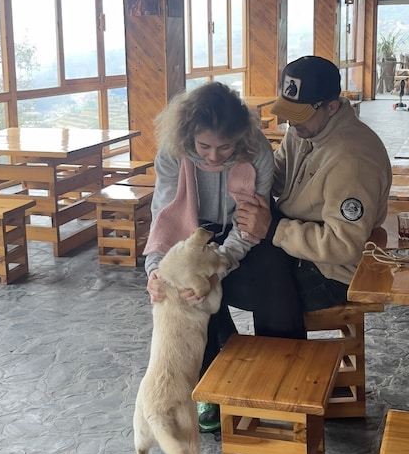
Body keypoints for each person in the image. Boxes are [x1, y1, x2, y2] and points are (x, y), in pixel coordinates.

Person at [223, 55, 392, 337]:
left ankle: (274, 357)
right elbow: (278, 178)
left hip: (331, 273)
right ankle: (233, 353)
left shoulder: (352, 159)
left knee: (217, 281)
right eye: (288, 111)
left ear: (331, 107)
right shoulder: (305, 131)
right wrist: (241, 159)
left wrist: (273, 229)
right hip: (295, 246)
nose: (291, 122)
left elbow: (343, 245)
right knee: (207, 269)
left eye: (300, 114)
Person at [143, 82, 274, 431]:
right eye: (204, 147)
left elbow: (251, 224)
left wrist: (219, 266)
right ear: (189, 136)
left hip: (244, 233)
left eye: (225, 147)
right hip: (189, 231)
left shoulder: (257, 150)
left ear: (240, 138)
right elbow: (166, 215)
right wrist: (156, 271)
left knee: (272, 287)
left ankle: (273, 378)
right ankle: (208, 388)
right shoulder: (173, 151)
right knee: (187, 295)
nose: (214, 157)